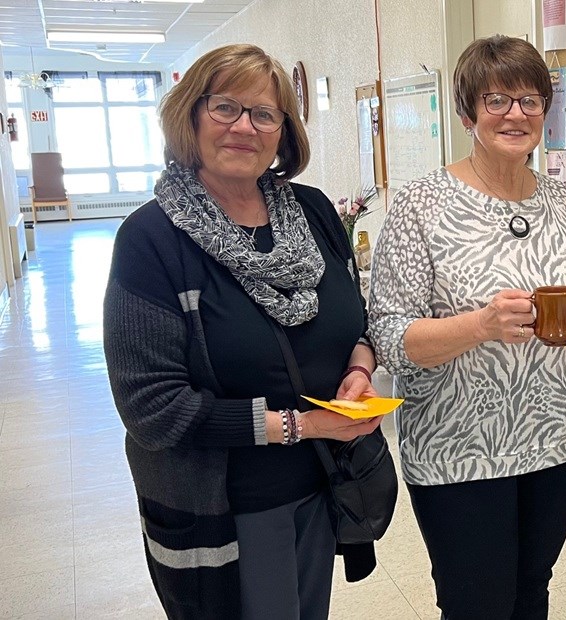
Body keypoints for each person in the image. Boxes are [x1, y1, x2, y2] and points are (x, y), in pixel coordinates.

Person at [102, 43, 386, 619]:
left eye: (263, 113)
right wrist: (299, 426)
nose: (244, 127)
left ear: (283, 131)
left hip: (323, 486)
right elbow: (152, 407)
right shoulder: (151, 239)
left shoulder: (313, 213)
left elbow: (358, 319)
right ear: (191, 115)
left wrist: (359, 369)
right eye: (225, 107)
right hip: (227, 506)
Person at [369, 35, 566, 620]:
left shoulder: (560, 202)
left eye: (531, 100)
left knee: (532, 590)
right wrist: (479, 325)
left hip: (557, 436)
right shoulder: (420, 205)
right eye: (498, 100)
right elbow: (389, 334)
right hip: (459, 448)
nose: (517, 114)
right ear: (468, 113)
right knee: (476, 604)